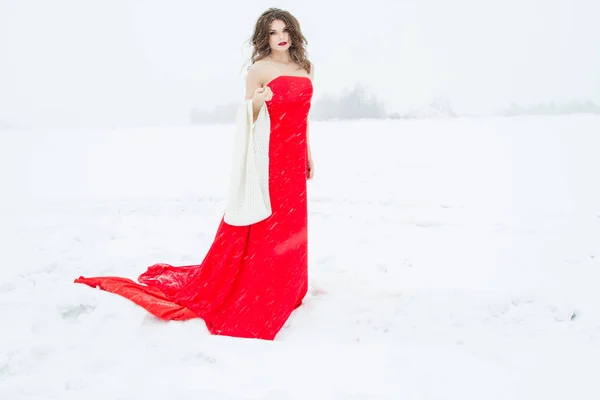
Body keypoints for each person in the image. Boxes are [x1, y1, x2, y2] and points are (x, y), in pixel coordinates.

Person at [74, 8, 315, 341]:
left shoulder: (305, 68)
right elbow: (248, 117)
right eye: (273, 32)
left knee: (292, 223)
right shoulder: (258, 70)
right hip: (269, 159)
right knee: (268, 225)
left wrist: (308, 153)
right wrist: (258, 102)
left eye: (284, 29)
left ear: (293, 32)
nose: (280, 37)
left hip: (293, 157)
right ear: (265, 36)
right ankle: (263, 287)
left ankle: (289, 285)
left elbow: (303, 118)